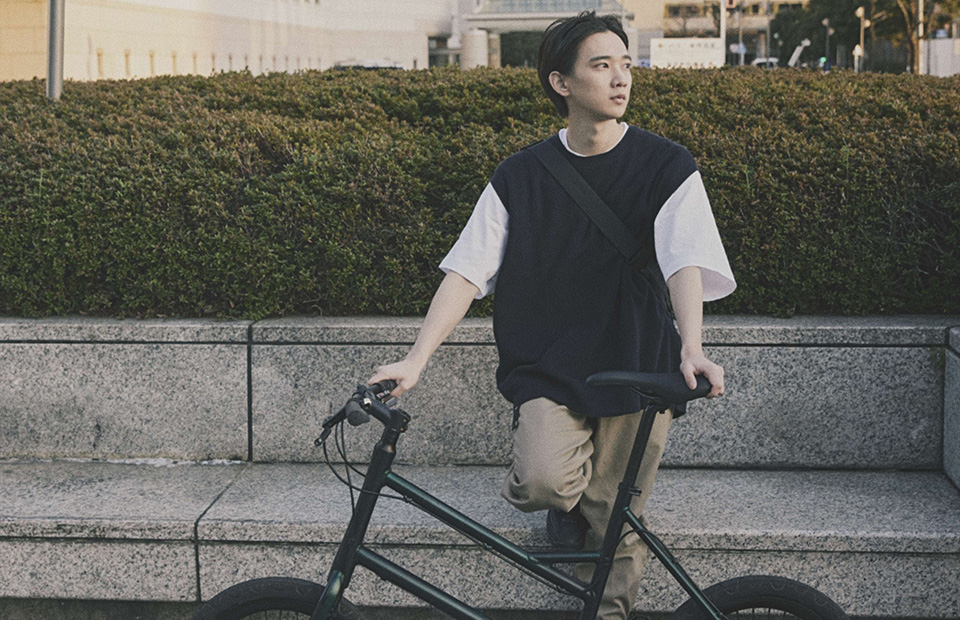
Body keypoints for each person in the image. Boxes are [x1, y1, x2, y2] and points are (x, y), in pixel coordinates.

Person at [369, 10, 735, 619]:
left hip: (636, 361)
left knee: (618, 518)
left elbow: (684, 262)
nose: (621, 78)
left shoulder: (667, 165)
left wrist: (691, 347)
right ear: (561, 82)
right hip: (550, 363)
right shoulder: (521, 175)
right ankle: (572, 504)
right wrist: (415, 360)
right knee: (542, 481)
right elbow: (466, 272)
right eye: (602, 65)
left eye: (625, 64)